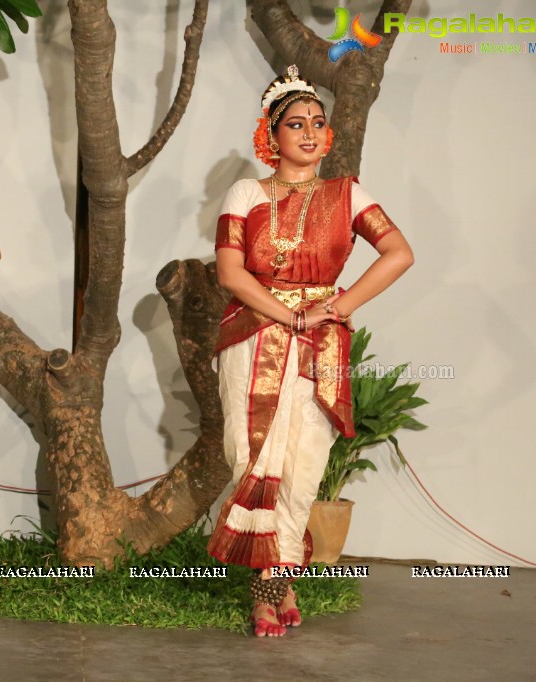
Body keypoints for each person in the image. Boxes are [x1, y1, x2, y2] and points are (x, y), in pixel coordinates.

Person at [206, 65, 413, 637]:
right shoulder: (246, 192)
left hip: (322, 343)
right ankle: (273, 578)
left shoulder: (346, 195)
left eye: (317, 124)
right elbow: (230, 273)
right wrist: (290, 314)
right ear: (270, 137)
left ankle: (274, 581)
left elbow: (398, 252)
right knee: (252, 457)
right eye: (294, 124)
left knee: (305, 464)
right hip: (253, 334)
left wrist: (336, 307)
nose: (308, 133)